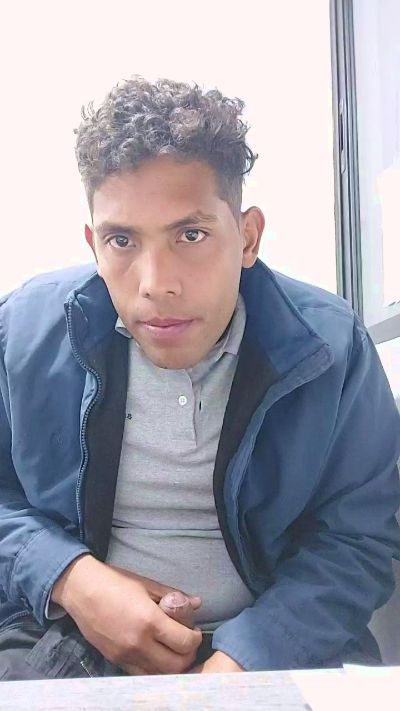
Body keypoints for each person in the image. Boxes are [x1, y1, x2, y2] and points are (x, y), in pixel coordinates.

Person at [0, 76, 399, 681]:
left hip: (280, 647)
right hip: (66, 636)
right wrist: (71, 579)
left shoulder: (330, 345)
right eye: (121, 240)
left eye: (191, 235)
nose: (156, 283)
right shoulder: (22, 332)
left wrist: (247, 659)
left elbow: (358, 536)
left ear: (248, 236)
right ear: (93, 244)